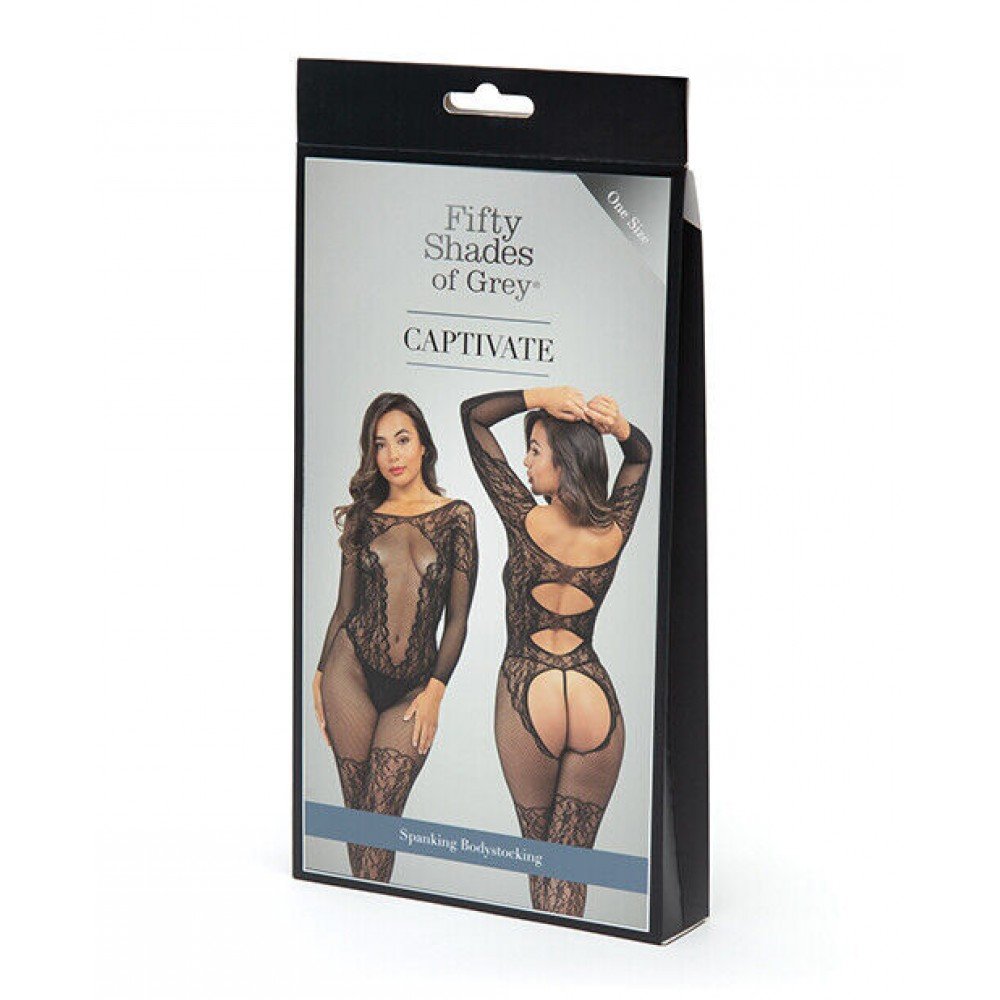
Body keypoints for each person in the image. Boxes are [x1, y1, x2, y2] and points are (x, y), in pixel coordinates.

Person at [461, 386, 651, 916]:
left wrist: (538, 395)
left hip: (530, 685)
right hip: (593, 693)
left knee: (539, 860)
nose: (525, 461)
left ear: (564, 460)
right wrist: (620, 429)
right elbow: (640, 458)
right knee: (571, 869)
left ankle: (544, 955)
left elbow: (473, 418)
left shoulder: (523, 518)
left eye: (535, 450)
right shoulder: (615, 528)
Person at [313, 392, 477, 882]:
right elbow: (344, 608)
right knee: (360, 822)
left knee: (380, 821)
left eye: (402, 440)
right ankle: (361, 917)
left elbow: (458, 619)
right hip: (350, 672)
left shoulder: (457, 517)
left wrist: (436, 692)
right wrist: (319, 675)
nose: (392, 455)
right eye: (380, 444)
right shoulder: (364, 518)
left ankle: (366, 915)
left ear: (424, 444)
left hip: (414, 687)